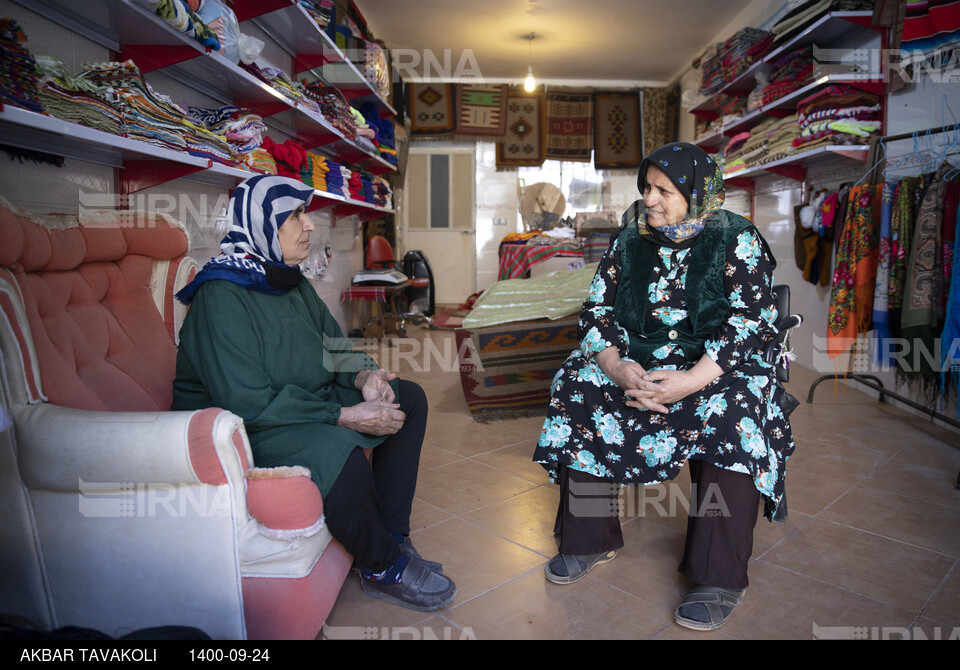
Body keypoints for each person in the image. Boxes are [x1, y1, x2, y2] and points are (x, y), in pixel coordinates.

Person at [533, 142, 795, 631]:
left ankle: (718, 575)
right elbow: (597, 310)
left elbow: (752, 323)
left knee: (735, 409)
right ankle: (589, 538)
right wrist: (616, 367)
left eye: (663, 190)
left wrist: (691, 381)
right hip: (637, 362)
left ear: (697, 193)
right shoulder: (631, 238)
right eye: (646, 188)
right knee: (577, 381)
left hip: (715, 366)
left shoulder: (736, 239)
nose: (649, 200)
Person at [172, 174, 455, 612]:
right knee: (333, 447)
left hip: (301, 401)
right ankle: (382, 566)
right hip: (250, 425)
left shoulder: (288, 281)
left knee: (409, 397)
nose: (309, 226)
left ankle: (393, 537)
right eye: (296, 216)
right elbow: (246, 402)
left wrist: (366, 379)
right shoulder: (220, 295)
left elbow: (334, 347)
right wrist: (345, 416)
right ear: (262, 225)